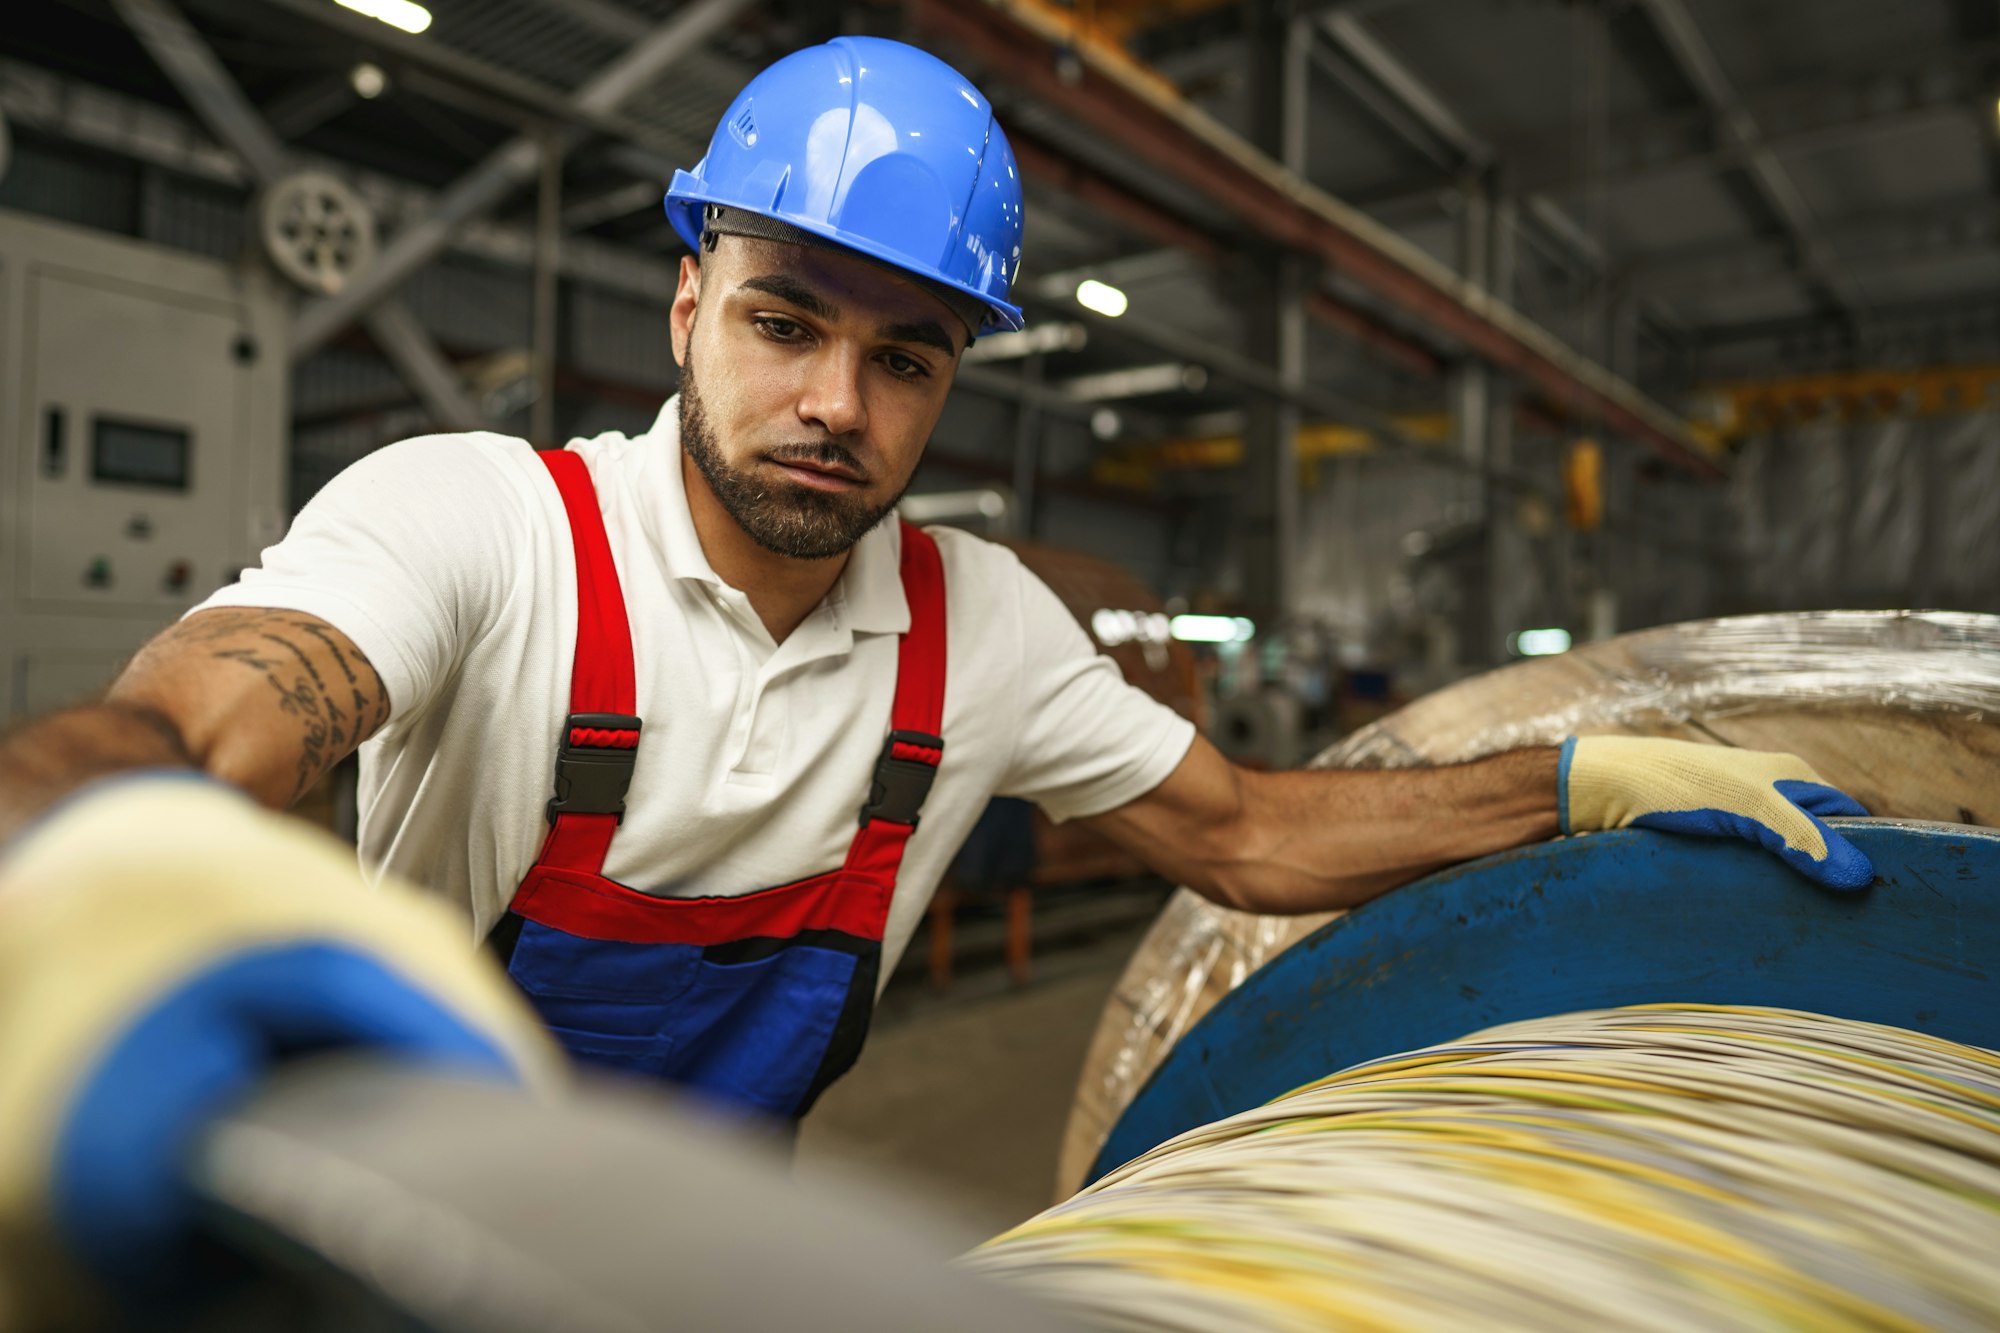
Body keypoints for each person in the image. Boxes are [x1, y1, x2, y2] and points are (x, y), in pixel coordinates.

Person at [0, 37, 1873, 1129]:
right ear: (686, 301)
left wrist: (1582, 779)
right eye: (785, 320)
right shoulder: (488, 527)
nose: (836, 402)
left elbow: (1253, 835)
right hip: (376, 1238)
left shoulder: (977, 629)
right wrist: (67, 869)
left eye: (906, 358)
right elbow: (201, 711)